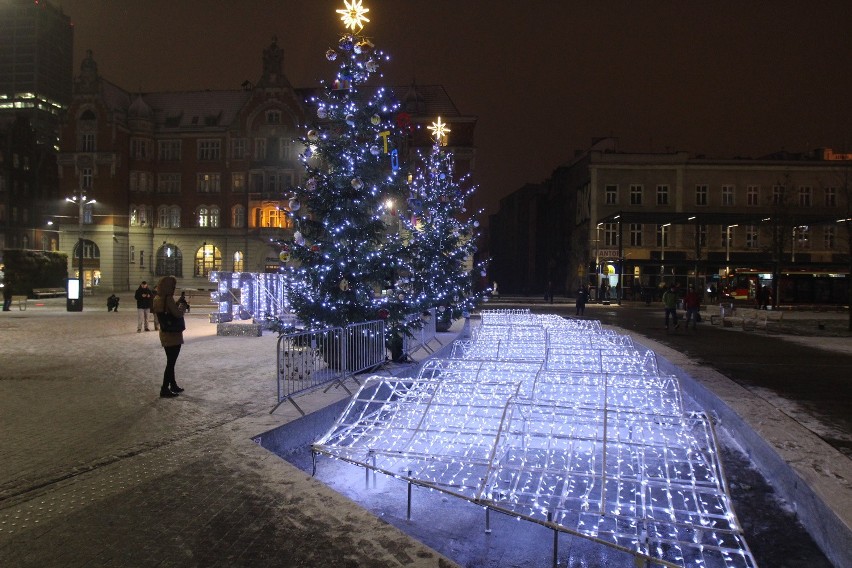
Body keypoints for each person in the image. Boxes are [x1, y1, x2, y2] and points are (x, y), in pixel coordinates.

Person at [152, 275, 186, 398]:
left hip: (165, 332)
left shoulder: (157, 298)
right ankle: (165, 388)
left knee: (170, 360)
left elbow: (166, 311)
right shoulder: (168, 298)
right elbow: (177, 314)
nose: (174, 288)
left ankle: (173, 384)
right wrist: (182, 306)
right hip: (173, 333)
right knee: (171, 362)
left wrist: (175, 304)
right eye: (173, 286)